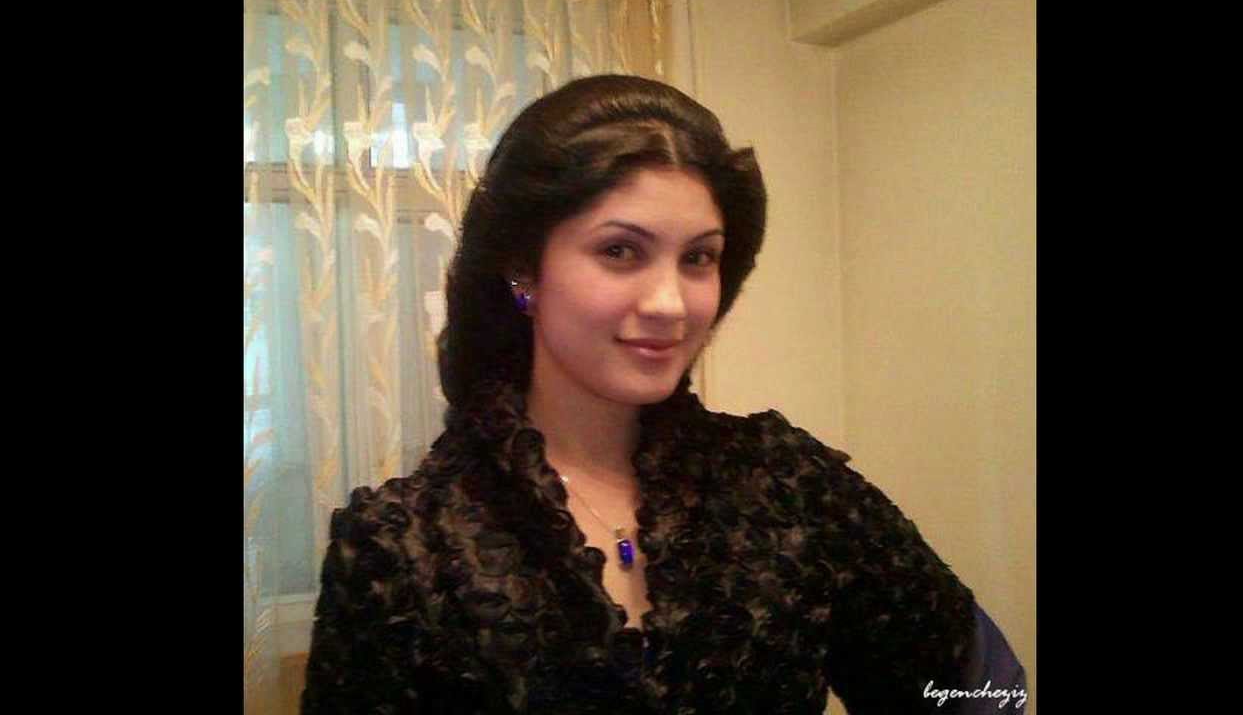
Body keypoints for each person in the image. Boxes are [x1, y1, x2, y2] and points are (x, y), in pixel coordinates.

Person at [301, 74, 1026, 714]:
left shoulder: (788, 486)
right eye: (620, 251)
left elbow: (982, 690)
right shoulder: (404, 547)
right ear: (524, 268)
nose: (670, 303)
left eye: (698, 258)